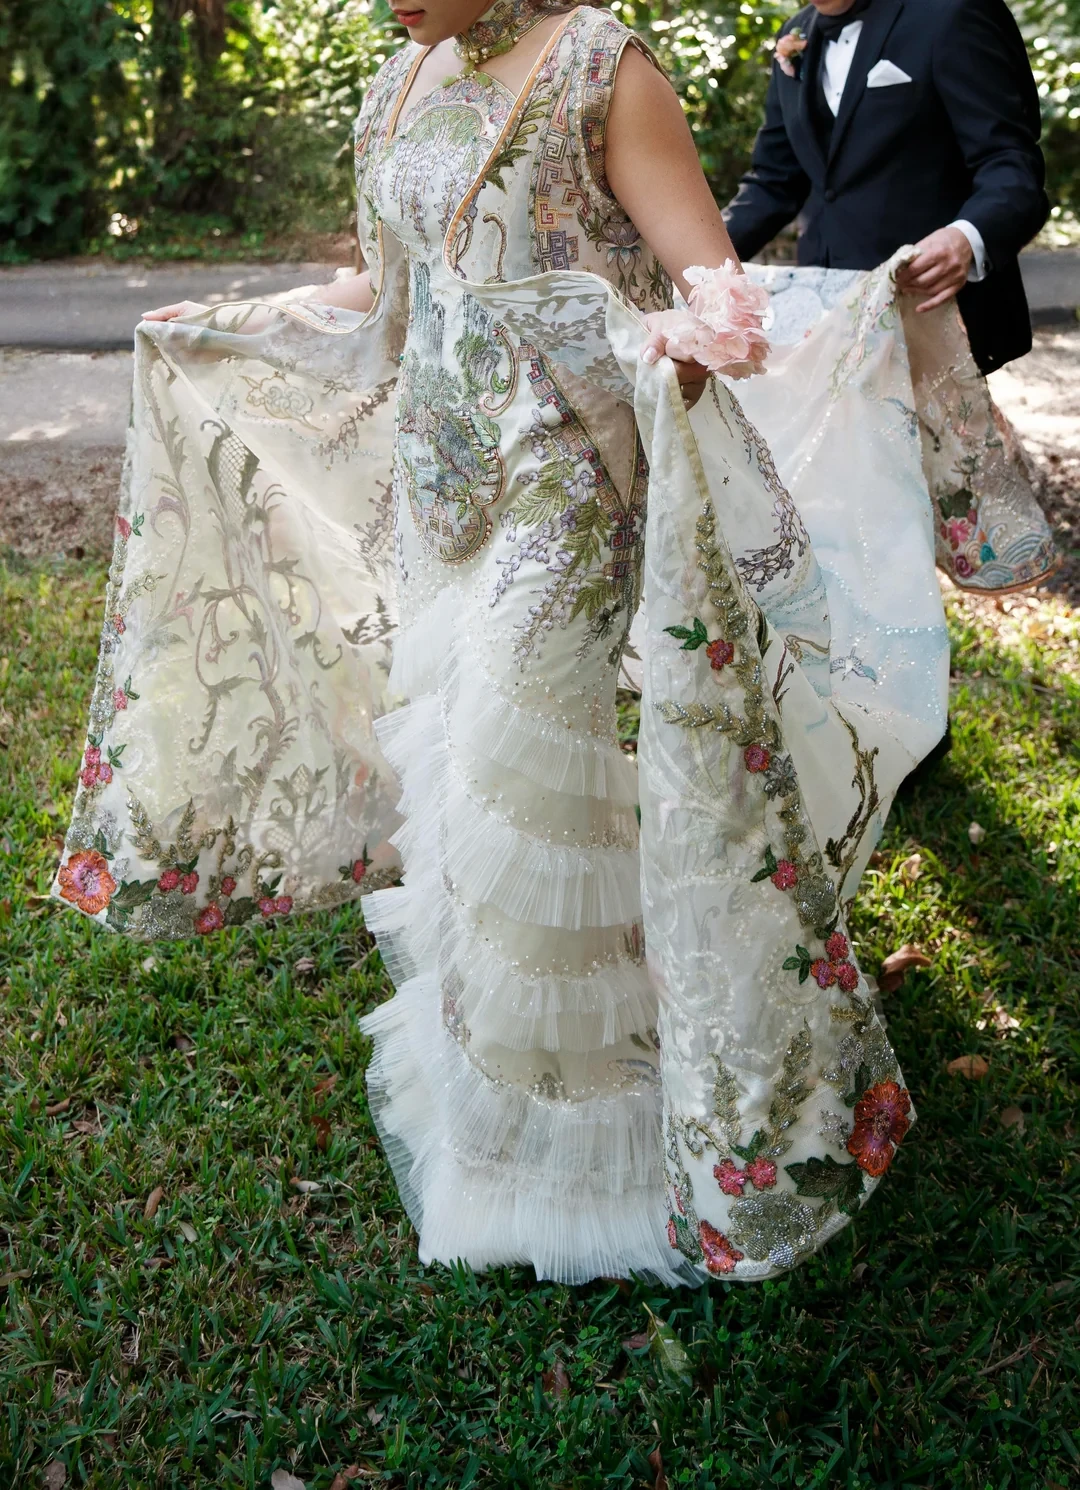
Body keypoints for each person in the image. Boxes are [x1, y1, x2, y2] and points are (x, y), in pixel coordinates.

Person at [55, 0, 958, 1286]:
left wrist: (690, 336)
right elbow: (382, 285)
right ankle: (492, 1122)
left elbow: (718, 288)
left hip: (575, 480)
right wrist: (238, 324)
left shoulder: (606, 65)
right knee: (468, 785)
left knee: (511, 766)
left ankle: (589, 1155)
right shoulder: (400, 79)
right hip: (448, 487)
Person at [723, 0, 1049, 377]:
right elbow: (773, 183)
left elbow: (1011, 164)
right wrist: (686, 263)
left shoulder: (953, 12)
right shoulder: (794, 35)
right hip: (829, 321)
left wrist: (966, 238)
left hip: (934, 314)